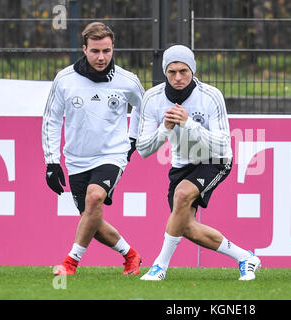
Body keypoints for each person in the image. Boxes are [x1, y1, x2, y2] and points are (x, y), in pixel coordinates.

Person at [131, 44, 261, 281]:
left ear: (192, 70)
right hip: (182, 164)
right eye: (172, 72)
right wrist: (165, 128)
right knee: (185, 226)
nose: (178, 77)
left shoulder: (210, 96)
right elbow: (142, 149)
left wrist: (189, 123)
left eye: (184, 71)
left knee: (182, 196)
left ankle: (159, 267)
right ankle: (246, 257)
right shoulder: (152, 98)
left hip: (216, 160)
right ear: (164, 72)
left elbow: (223, 144)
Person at [42, 22, 145, 275]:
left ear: (113, 49)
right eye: (96, 51)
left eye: (107, 51)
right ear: (85, 49)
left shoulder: (127, 81)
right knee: (91, 218)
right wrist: (52, 162)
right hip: (76, 159)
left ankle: (70, 262)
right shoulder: (65, 79)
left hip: (112, 154)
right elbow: (51, 120)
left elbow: (145, 108)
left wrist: (133, 139)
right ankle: (131, 255)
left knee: (95, 198)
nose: (102, 57)